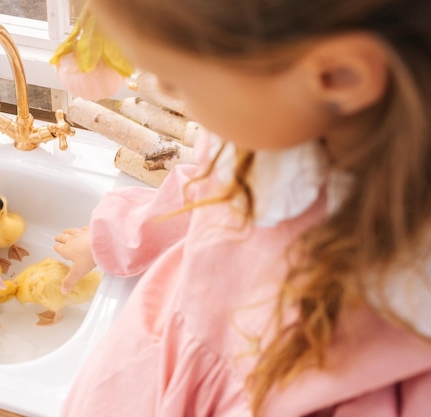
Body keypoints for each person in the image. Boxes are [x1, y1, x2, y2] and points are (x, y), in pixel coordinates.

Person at [53, 0, 431, 415]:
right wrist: (110, 237)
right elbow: (199, 197)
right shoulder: (264, 136)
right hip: (157, 366)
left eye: (177, 81)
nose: (163, 90)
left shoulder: (411, 309)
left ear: (338, 77)